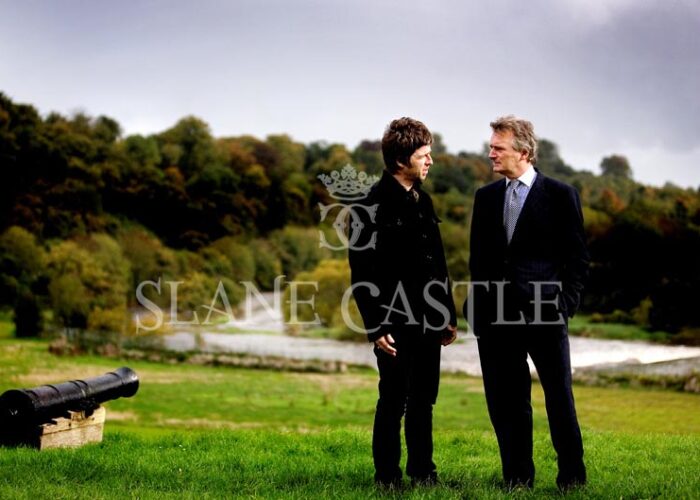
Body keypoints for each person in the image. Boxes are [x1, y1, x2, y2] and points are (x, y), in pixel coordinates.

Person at [466, 115, 589, 490]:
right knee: (508, 404)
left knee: (559, 399)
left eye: (498, 148)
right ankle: (517, 478)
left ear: (524, 151)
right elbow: (478, 261)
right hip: (496, 320)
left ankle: (572, 478)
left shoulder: (560, 195)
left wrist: (563, 305)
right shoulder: (485, 198)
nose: (491, 154)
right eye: (491, 147)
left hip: (545, 315)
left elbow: (578, 259)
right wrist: (477, 310)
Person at [349, 117, 458, 489]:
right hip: (393, 323)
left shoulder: (424, 201)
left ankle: (423, 473)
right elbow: (361, 272)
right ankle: (387, 478)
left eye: (430, 154)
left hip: (430, 320)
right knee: (393, 400)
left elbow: (438, 264)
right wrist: (374, 327)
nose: (430, 161)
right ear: (400, 160)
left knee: (424, 399)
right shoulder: (369, 207)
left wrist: (449, 317)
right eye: (423, 155)